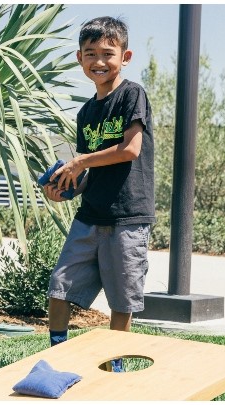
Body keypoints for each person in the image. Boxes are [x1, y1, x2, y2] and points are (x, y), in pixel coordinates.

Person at [42, 16, 154, 372]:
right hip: (90, 215)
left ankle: (112, 366)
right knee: (59, 285)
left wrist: (79, 162)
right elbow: (92, 169)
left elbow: (130, 149)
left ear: (126, 56)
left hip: (127, 216)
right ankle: (58, 357)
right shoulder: (86, 112)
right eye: (91, 53)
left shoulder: (131, 94)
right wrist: (68, 188)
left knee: (121, 299)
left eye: (108, 53)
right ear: (79, 58)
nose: (99, 61)